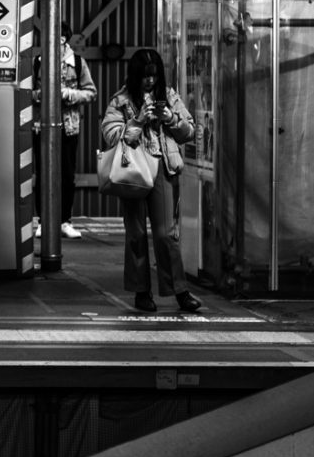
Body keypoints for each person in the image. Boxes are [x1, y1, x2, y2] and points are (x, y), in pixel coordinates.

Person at [100, 47, 204, 314]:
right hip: (133, 171)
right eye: (146, 76)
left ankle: (180, 291)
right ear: (136, 75)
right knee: (135, 233)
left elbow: (190, 131)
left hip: (163, 169)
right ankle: (141, 292)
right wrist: (137, 121)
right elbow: (110, 134)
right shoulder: (121, 100)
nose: (151, 81)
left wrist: (171, 118)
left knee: (166, 234)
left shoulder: (169, 96)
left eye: (155, 75)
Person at [53, 36, 97, 239]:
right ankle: (45, 222)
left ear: (64, 40)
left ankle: (65, 220)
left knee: (67, 174)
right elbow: (29, 93)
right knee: (43, 173)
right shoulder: (38, 62)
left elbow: (91, 93)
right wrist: (42, 95)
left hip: (69, 125)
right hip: (41, 125)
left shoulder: (77, 63)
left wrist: (68, 94)